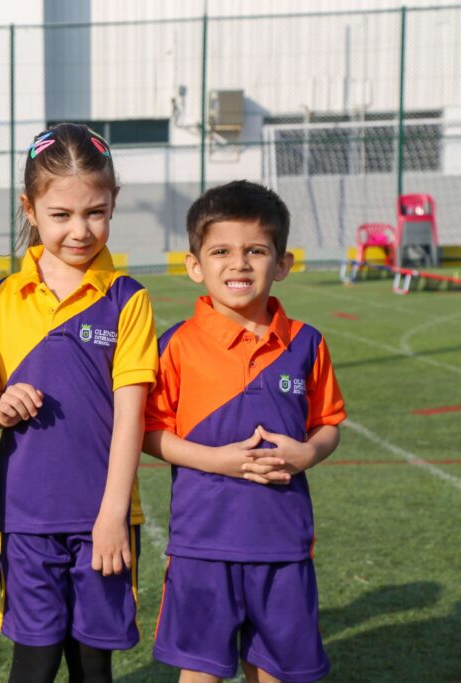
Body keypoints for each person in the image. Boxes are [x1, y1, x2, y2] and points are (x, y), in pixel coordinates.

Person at [0, 123, 158, 683]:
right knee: (34, 661)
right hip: (25, 519)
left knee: (93, 665)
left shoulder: (127, 300)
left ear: (113, 203)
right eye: (61, 215)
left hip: (104, 517)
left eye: (95, 213)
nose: (80, 230)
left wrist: (113, 515)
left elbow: (131, 416)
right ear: (29, 208)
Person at [143, 180, 346, 683]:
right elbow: (149, 432)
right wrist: (216, 460)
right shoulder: (177, 345)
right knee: (200, 672)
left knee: (275, 670)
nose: (239, 264)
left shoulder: (306, 343)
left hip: (282, 543)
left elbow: (328, 423)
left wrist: (308, 454)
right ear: (195, 266)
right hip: (202, 544)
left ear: (282, 264)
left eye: (255, 250)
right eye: (221, 252)